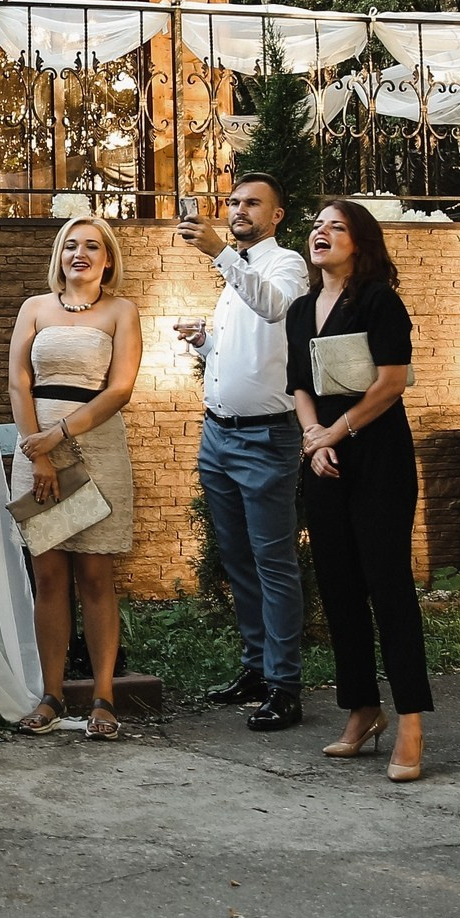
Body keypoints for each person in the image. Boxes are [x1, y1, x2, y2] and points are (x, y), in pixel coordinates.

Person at [287, 200, 428, 783]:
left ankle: (412, 722)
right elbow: (298, 383)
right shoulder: (299, 310)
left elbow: (392, 383)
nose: (321, 232)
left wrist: (336, 433)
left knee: (387, 587)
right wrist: (314, 441)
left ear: (360, 243)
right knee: (339, 585)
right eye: (315, 224)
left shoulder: (377, 300)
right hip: (323, 458)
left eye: (336, 227)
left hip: (377, 456)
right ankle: (362, 710)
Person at [176, 173, 312, 731]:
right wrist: (204, 342)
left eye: (252, 203)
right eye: (233, 202)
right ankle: (256, 669)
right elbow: (248, 353)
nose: (238, 210)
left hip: (266, 437)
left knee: (273, 563)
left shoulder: (286, 265)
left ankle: (285, 685)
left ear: (276, 216)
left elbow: (278, 310)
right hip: (219, 436)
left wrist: (220, 255)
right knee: (238, 562)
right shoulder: (235, 273)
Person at [7, 214, 142, 741]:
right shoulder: (33, 308)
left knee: (95, 576)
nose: (79, 253)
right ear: (59, 256)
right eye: (70, 246)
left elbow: (120, 389)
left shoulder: (121, 311)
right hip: (35, 447)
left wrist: (60, 435)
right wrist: (38, 450)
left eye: (91, 246)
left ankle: (104, 697)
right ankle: (52, 695)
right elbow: (19, 381)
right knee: (48, 577)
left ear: (107, 259)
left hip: (96, 445)